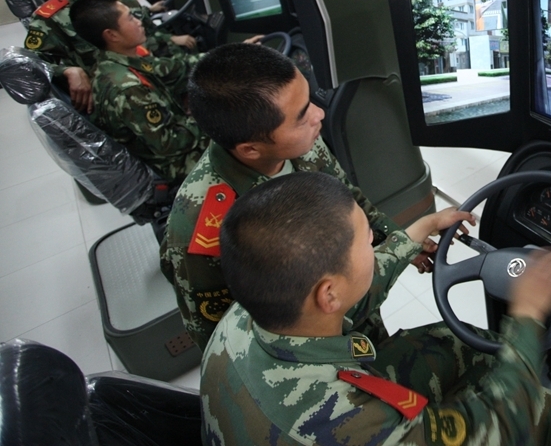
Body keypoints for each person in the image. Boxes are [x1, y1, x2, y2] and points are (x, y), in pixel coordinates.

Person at [202, 171, 551, 445]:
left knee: (448, 340)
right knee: (532, 411)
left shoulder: (248, 314)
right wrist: (527, 315)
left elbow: (348, 296)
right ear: (328, 294)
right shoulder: (344, 424)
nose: (376, 242)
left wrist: (414, 235)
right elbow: (501, 429)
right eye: (365, 240)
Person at [160, 42, 447, 350]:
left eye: (310, 100)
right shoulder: (199, 227)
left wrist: (397, 240)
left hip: (358, 314)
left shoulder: (301, 144)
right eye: (301, 116)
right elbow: (219, 337)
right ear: (251, 148)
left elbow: (351, 200)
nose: (319, 114)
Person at [23, 0, 196, 113]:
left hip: (159, 84)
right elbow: (29, 65)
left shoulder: (126, 1)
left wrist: (173, 46)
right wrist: (67, 71)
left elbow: (153, 39)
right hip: (124, 104)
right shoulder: (53, 17)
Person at [69, 0, 207, 185]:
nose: (139, 21)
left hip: (166, 143)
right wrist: (205, 117)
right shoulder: (129, 87)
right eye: (130, 18)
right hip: (173, 164)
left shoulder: (111, 62)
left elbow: (171, 68)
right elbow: (169, 144)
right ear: (112, 35)